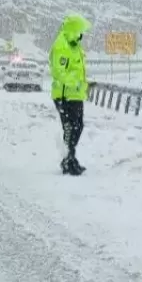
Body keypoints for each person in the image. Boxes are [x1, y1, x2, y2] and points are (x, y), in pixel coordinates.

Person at [50, 13, 90, 175]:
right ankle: (69, 160)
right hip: (65, 95)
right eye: (80, 31)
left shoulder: (74, 45)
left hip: (76, 95)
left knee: (77, 126)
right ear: (73, 30)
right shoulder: (62, 46)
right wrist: (76, 82)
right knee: (70, 128)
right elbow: (59, 72)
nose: (82, 34)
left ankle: (70, 158)